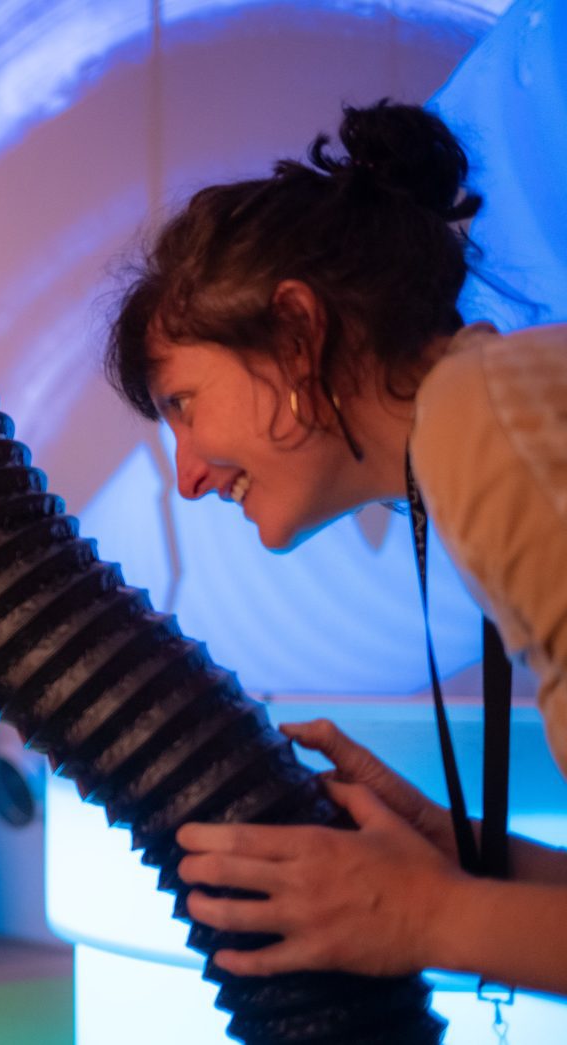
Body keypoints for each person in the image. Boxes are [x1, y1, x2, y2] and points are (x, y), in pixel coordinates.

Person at [103, 100, 567, 995]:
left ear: (296, 333)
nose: (189, 476)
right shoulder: (498, 411)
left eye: (183, 408)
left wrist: (418, 915)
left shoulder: (483, 420)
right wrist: (458, 854)